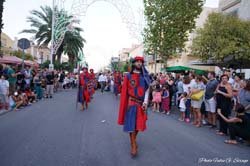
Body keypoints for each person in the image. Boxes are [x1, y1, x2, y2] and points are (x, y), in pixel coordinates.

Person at [118, 56, 150, 157]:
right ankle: (133, 145)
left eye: (141, 62)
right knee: (131, 124)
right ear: (134, 63)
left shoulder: (145, 76)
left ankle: (133, 140)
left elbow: (147, 90)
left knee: (138, 125)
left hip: (141, 103)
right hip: (131, 103)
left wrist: (145, 102)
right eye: (137, 62)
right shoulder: (128, 76)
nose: (139, 63)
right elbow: (124, 92)